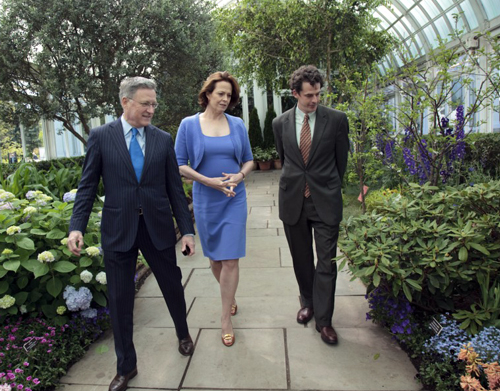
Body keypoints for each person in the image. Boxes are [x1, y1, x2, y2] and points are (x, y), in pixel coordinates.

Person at [67, 76, 196, 391]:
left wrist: (188, 232)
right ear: (125, 102)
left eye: (154, 103)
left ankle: (183, 332)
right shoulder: (100, 137)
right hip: (118, 229)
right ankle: (126, 366)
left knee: (172, 286)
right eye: (145, 103)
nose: (151, 109)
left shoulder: (163, 139)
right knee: (121, 299)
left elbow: (175, 190)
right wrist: (76, 226)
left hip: (157, 226)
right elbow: (86, 187)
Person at [174, 71, 253, 347]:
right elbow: (180, 164)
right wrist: (209, 181)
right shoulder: (188, 125)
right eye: (220, 93)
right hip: (206, 199)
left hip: (234, 198)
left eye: (229, 95)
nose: (225, 99)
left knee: (231, 259)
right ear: (207, 94)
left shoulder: (238, 125)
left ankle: (224, 318)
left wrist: (239, 176)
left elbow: (249, 161)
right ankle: (229, 296)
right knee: (216, 260)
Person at [272, 65, 349, 345]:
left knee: (326, 262)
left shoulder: (337, 120)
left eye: (318, 93)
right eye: (308, 95)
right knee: (302, 259)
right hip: (293, 200)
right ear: (295, 94)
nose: (314, 100)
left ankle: (325, 321)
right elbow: (287, 158)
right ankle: (309, 304)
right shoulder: (279, 123)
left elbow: (342, 161)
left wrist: (327, 187)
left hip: (325, 201)